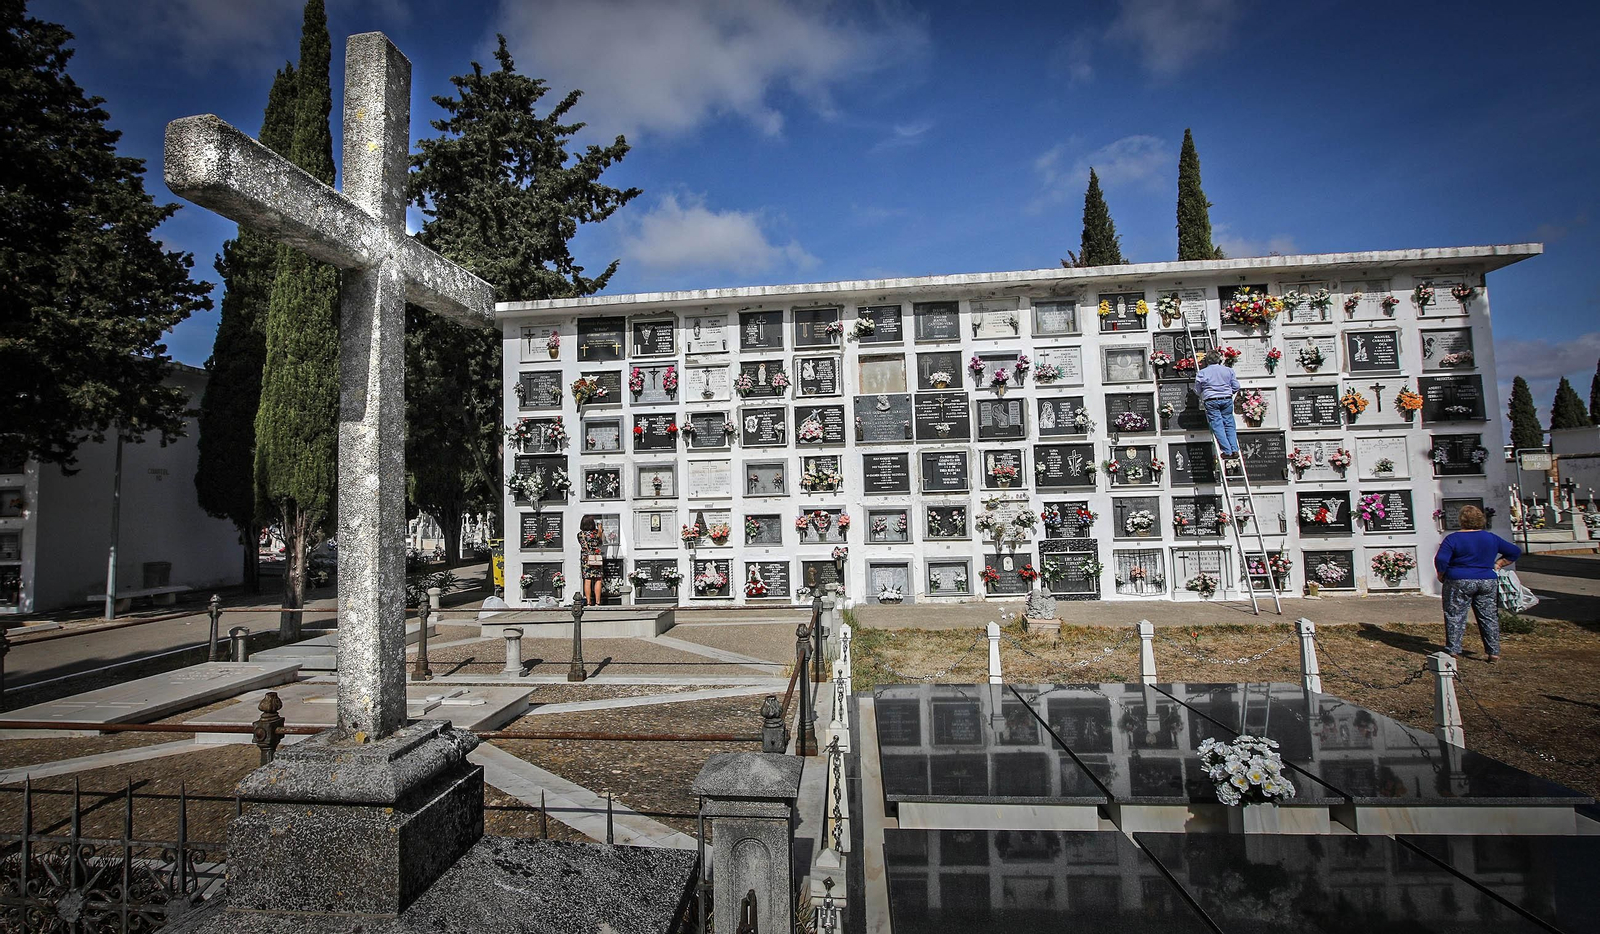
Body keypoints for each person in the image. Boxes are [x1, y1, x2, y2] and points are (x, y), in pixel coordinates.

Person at [1434, 505, 1521, 662]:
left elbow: (1441, 559)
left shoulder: (1453, 538)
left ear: (1462, 520)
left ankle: (1454, 649)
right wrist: (1499, 563)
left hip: (1459, 580)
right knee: (1488, 616)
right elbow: (1514, 551)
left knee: (1455, 614)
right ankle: (1493, 651)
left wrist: (1441, 573)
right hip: (1486, 580)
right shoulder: (1491, 538)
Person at [1193, 350, 1242, 463]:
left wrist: (1203, 394)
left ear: (1206, 360)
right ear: (1219, 359)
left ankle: (1227, 451)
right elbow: (1236, 386)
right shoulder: (1228, 371)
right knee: (1229, 424)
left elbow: (1197, 389)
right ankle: (1234, 449)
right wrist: (1228, 392)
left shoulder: (1202, 373)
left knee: (1217, 425)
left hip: (1211, 400)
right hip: (1226, 399)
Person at [577, 515, 605, 606]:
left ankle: (588, 602)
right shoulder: (596, 533)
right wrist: (600, 529)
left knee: (587, 579)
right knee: (598, 579)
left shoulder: (580, 535)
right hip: (596, 558)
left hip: (586, 559)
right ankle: (597, 602)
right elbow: (600, 541)